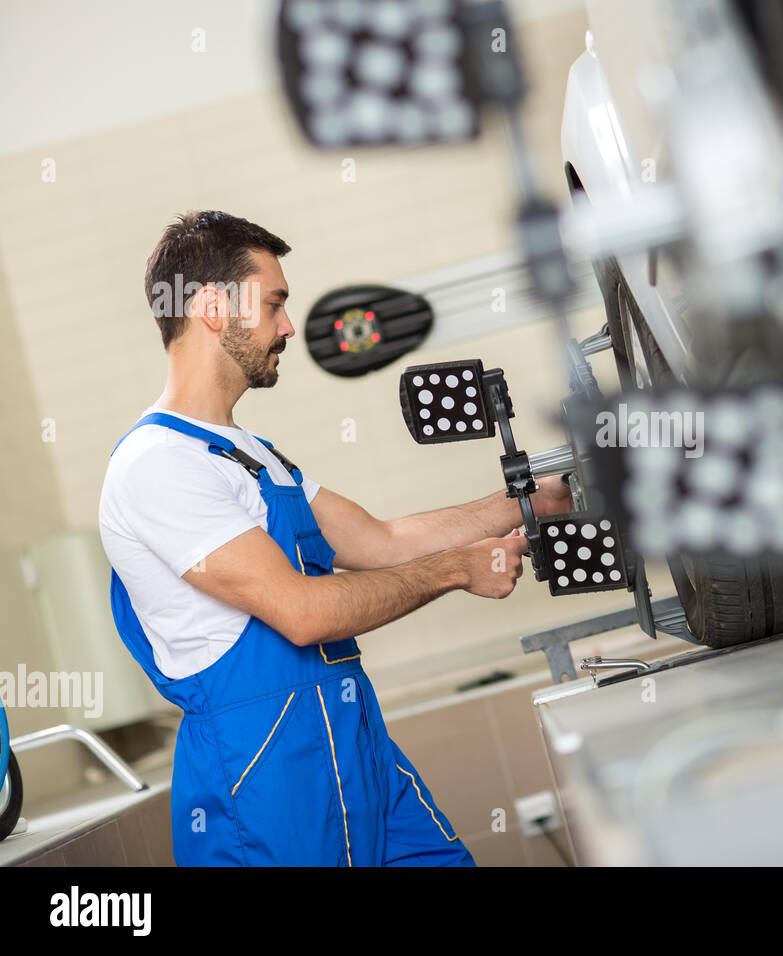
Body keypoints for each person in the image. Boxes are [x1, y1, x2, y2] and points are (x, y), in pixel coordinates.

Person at [98, 210, 572, 866]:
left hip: (353, 748)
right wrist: (458, 570)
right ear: (211, 307)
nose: (289, 327)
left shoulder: (254, 455)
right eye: (275, 304)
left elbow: (384, 540)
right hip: (265, 782)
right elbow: (302, 612)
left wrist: (533, 502)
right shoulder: (157, 465)